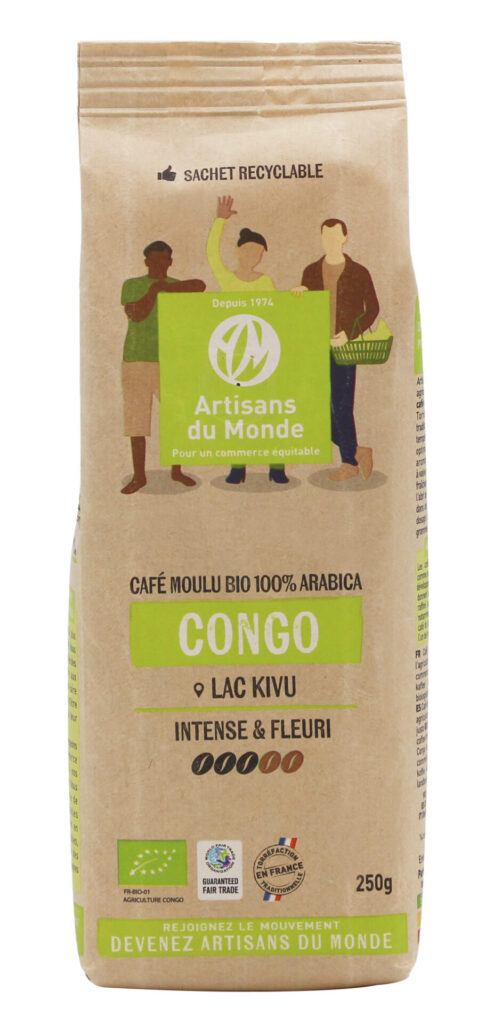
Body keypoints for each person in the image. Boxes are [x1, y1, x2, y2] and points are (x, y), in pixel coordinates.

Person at [207, 195, 288, 485]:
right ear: (239, 251)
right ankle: (238, 467)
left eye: (260, 253)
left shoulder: (266, 282)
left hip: (264, 354)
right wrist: (220, 221)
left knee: (271, 411)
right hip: (234, 357)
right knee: (237, 412)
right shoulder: (227, 280)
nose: (255, 256)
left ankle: (276, 467)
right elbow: (212, 255)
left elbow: (276, 316)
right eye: (251, 250)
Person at [293, 218, 379, 481]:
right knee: (313, 406)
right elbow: (304, 311)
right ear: (321, 238)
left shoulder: (359, 272)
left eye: (335, 236)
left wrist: (350, 333)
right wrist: (299, 295)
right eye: (326, 236)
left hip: (344, 349)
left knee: (341, 406)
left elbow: (372, 309)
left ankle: (348, 463)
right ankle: (357, 451)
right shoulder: (310, 271)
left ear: (345, 238)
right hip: (315, 347)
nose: (330, 241)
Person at [121, 240, 206, 494]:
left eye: (164, 259)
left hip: (170, 361)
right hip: (136, 360)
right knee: (136, 421)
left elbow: (200, 285)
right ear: (146, 261)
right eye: (154, 259)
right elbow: (137, 314)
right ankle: (139, 476)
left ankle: (176, 471)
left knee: (176, 418)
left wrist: (163, 287)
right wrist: (155, 290)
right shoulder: (132, 285)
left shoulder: (174, 285)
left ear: (171, 262)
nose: (159, 264)